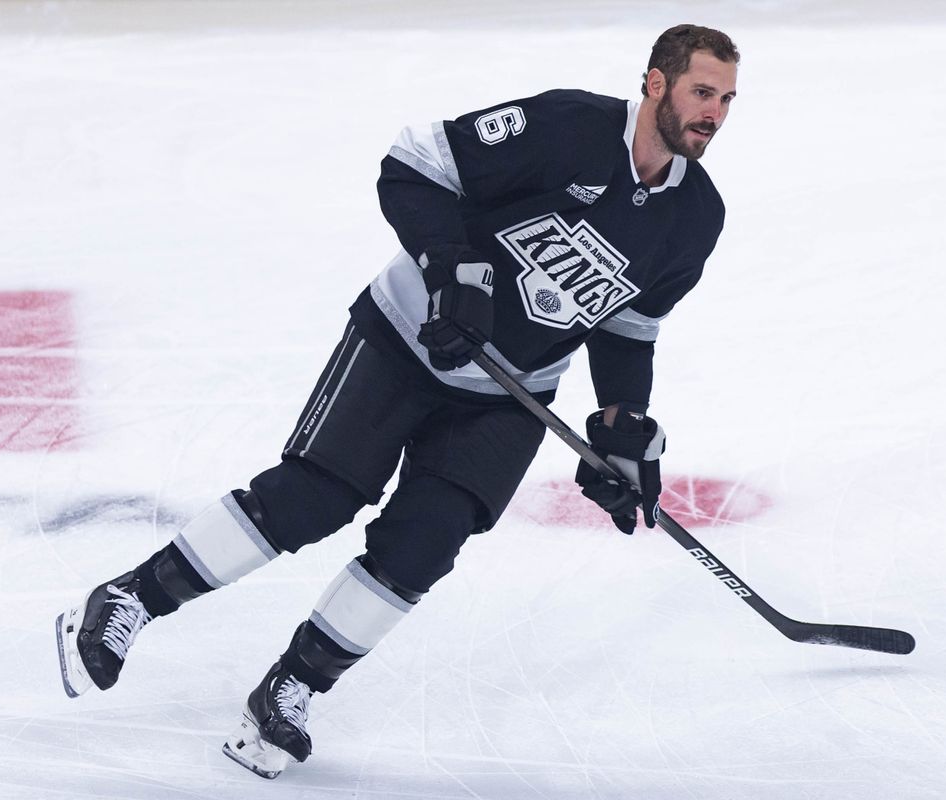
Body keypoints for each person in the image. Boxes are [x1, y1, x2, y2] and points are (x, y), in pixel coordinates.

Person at [55, 23, 739, 780]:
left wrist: (621, 425)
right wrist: (454, 270)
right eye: (702, 92)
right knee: (315, 498)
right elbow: (413, 164)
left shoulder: (695, 217)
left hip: (509, 394)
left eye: (728, 99)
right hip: (408, 336)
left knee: (424, 544)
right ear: (655, 84)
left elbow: (626, 325)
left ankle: (289, 690)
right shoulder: (567, 127)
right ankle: (130, 600)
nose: (714, 112)